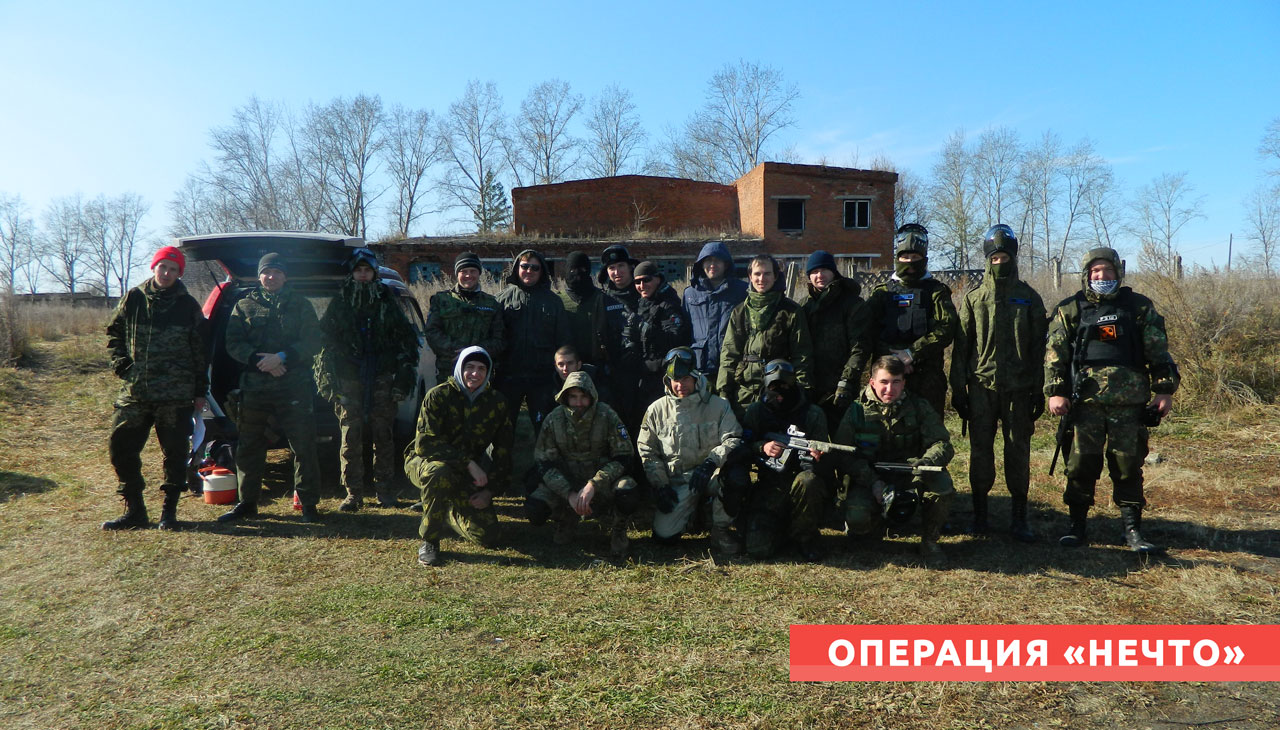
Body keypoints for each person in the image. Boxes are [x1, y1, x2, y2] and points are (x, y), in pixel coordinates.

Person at [1046, 246, 1179, 553]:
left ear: (1118, 272)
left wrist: (1164, 389)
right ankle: (1077, 526)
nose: (1101, 276)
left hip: (1129, 403)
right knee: (1080, 465)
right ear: (1086, 275)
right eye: (1095, 271)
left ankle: (1132, 530)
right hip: (1084, 404)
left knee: (1128, 465)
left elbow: (1158, 350)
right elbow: (1055, 354)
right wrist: (1056, 391)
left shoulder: (1139, 307)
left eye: (1107, 270)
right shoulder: (1070, 309)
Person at [949, 225, 1047, 541]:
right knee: (980, 452)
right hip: (981, 388)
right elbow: (961, 348)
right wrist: (958, 389)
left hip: (1019, 389)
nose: (1000, 262)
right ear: (987, 260)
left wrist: (1039, 389)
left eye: (1005, 257)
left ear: (1014, 258)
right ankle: (980, 516)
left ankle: (1020, 518)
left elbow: (1039, 349)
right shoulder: (974, 300)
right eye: (994, 258)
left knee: (1018, 451)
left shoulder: (1029, 298)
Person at [103, 245, 208, 531]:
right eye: (163, 267)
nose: (167, 273)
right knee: (120, 448)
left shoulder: (188, 305)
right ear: (154, 267)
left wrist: (200, 390)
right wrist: (122, 364)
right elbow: (114, 332)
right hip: (136, 392)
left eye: (173, 269)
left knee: (175, 454)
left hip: (175, 395)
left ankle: (168, 513)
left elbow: (200, 351)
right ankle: (135, 510)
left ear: (179, 273)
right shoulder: (134, 298)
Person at [218, 253, 324, 523]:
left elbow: (313, 340)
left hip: (294, 386)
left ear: (285, 276)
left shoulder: (300, 305)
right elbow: (233, 343)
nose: (271, 276)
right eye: (267, 272)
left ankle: (309, 504)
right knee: (249, 446)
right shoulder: (244, 305)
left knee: (303, 446)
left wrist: (283, 357)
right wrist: (262, 362)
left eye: (277, 272)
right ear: (259, 276)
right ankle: (247, 503)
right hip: (255, 388)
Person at [315, 248, 419, 511]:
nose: (363, 274)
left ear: (374, 273)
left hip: (381, 376)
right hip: (349, 377)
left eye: (367, 270)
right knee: (350, 436)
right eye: (358, 270)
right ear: (352, 273)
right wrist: (332, 376)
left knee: (383, 436)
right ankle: (353, 493)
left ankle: (385, 491)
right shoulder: (341, 302)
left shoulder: (386, 300)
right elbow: (324, 342)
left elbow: (405, 341)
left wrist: (401, 377)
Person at [834, 356, 955, 563]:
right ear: (872, 382)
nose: (890, 389)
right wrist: (873, 482)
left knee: (942, 486)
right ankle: (871, 526)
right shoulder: (856, 411)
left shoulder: (918, 407)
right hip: (869, 478)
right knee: (858, 519)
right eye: (884, 382)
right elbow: (843, 455)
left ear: (904, 383)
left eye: (896, 382)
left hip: (910, 474)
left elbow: (942, 443)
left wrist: (926, 463)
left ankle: (930, 541)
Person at [407, 346, 513, 567]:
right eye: (469, 367)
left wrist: (490, 491)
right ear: (459, 368)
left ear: (488, 372)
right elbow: (425, 444)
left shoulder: (497, 402)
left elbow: (503, 453)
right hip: (425, 462)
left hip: (464, 474)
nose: (475, 373)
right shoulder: (438, 395)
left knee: (488, 536)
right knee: (439, 472)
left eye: (481, 369)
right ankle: (430, 540)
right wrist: (469, 463)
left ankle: (446, 510)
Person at [639, 347, 749, 554]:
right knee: (664, 537)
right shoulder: (656, 410)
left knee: (736, 477)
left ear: (696, 377)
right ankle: (692, 515)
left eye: (686, 379)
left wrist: (711, 462)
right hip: (679, 481)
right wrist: (661, 485)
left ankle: (720, 530)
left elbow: (733, 438)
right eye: (675, 380)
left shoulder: (719, 405)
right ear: (668, 381)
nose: (680, 385)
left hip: (711, 474)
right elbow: (647, 451)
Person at [526, 370, 639, 555]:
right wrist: (568, 493)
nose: (578, 403)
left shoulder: (607, 415)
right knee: (535, 508)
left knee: (627, 491)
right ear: (565, 397)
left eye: (583, 397)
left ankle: (618, 528)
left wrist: (594, 484)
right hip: (567, 482)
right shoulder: (553, 419)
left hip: (602, 483)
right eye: (573, 397)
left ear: (592, 396)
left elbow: (624, 456)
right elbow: (544, 463)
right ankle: (565, 519)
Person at [740, 360, 832, 562]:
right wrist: (762, 447)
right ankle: (782, 530)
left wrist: (817, 457)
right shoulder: (756, 411)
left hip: (802, 482)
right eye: (774, 390)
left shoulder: (813, 413)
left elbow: (825, 459)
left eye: (785, 389)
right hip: (770, 485)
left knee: (808, 481)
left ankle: (804, 537)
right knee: (758, 549)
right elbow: (742, 446)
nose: (780, 396)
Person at [862, 223, 957, 418]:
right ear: (897, 258)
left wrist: (912, 353)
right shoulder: (882, 293)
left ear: (924, 259)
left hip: (927, 377)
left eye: (915, 257)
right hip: (888, 379)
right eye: (905, 257)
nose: (910, 262)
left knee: (929, 429)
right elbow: (868, 330)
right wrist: (895, 360)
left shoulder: (936, 291)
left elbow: (946, 328)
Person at [717, 254, 814, 419]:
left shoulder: (790, 311)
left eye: (767, 274)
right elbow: (729, 354)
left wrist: (801, 392)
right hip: (744, 392)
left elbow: (802, 355)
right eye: (757, 274)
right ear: (750, 276)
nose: (762, 279)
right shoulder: (740, 312)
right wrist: (724, 392)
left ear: (775, 276)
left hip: (779, 391)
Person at [496, 249, 570, 434]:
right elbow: (494, 337)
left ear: (542, 271)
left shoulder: (554, 302)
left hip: (542, 377)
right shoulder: (501, 300)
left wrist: (562, 373)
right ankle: (501, 454)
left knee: (545, 428)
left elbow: (563, 340)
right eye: (525, 266)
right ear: (517, 268)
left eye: (535, 268)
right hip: (508, 376)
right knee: (502, 427)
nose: (529, 271)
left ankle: (545, 454)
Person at [800, 250, 869, 425]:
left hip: (840, 386)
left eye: (824, 270)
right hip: (810, 386)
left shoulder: (852, 304)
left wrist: (846, 381)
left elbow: (859, 347)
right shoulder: (804, 306)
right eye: (814, 271)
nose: (819, 275)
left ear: (833, 272)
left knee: (842, 435)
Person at [424, 251, 503, 387]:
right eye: (463, 271)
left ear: (479, 273)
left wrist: (474, 352)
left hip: (480, 373)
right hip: (448, 370)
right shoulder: (441, 300)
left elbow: (499, 338)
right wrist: (456, 350)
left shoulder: (492, 304)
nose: (468, 275)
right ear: (457, 274)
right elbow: (432, 332)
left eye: (473, 271)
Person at [592, 244, 644, 436]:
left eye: (621, 266)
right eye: (611, 268)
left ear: (630, 267)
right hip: (616, 373)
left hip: (645, 371)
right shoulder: (603, 299)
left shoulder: (644, 292)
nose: (617, 272)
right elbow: (598, 335)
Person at [626, 261, 693, 409]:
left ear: (657, 279)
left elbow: (676, 340)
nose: (642, 286)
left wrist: (646, 329)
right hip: (644, 374)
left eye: (646, 280)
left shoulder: (669, 304)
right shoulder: (642, 303)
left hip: (663, 377)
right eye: (637, 282)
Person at [683, 242, 748, 381]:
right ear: (701, 264)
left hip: (732, 367)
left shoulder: (742, 291)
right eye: (708, 260)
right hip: (699, 368)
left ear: (726, 264)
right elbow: (685, 331)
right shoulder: (690, 294)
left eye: (717, 260)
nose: (712, 265)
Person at [558, 250, 601, 366]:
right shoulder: (557, 301)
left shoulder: (601, 298)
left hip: (597, 365)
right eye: (572, 270)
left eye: (582, 269)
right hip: (567, 367)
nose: (577, 274)